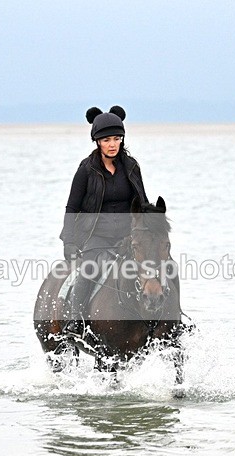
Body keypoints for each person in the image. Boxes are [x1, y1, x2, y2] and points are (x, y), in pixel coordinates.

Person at [59, 105, 149, 336]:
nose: (112, 144)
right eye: (107, 139)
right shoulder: (86, 170)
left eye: (117, 138)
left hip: (128, 237)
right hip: (96, 237)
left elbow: (142, 203)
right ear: (97, 141)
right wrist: (69, 241)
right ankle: (76, 320)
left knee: (157, 266)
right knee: (89, 269)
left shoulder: (131, 167)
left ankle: (170, 319)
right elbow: (72, 207)